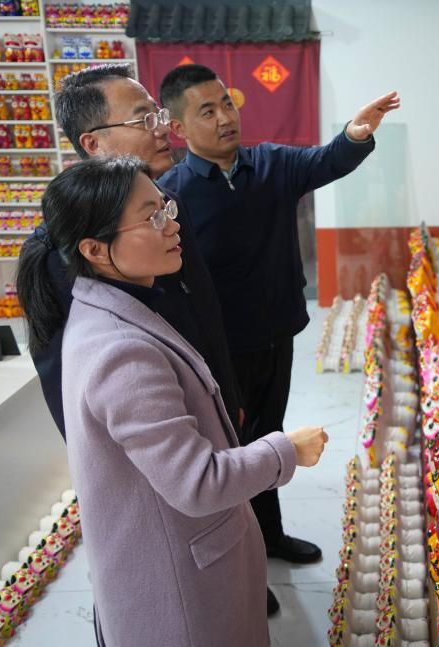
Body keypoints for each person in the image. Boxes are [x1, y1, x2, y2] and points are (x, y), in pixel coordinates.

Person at [15, 156, 329, 647]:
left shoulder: (120, 306)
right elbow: (197, 482)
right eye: (152, 217)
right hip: (180, 589)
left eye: (166, 208)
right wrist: (286, 450)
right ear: (94, 249)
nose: (172, 224)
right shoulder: (120, 352)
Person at [24, 64, 285, 616]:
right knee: (174, 565)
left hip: (196, 402)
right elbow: (66, 379)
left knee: (225, 528)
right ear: (93, 143)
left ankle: (248, 567)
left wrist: (224, 389)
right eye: (144, 118)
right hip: (145, 442)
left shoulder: (165, 204)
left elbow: (201, 309)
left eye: (158, 114)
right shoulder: (65, 248)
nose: (163, 127)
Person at [158, 64, 399, 564]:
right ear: (179, 128)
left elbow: (326, 160)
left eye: (227, 104)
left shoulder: (270, 164)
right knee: (231, 451)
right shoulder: (171, 194)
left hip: (277, 334)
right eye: (208, 111)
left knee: (270, 437)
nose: (226, 117)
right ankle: (241, 560)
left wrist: (356, 134)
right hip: (219, 351)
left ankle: (270, 538)